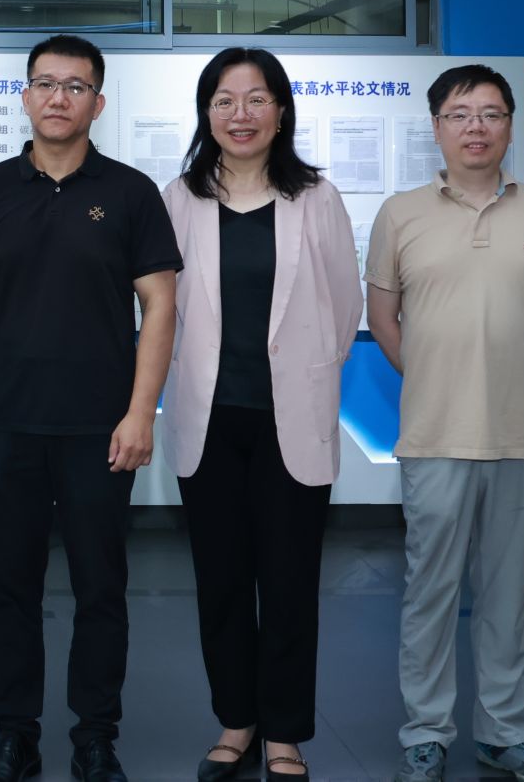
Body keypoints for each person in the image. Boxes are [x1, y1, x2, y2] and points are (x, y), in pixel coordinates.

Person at [0, 35, 180, 782]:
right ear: (24, 96)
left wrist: (141, 411)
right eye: (45, 83)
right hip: (7, 421)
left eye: (75, 86)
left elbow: (160, 304)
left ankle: (95, 737)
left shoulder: (132, 193)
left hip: (100, 428)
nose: (59, 97)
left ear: (97, 103)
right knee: (9, 589)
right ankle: (13, 735)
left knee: (100, 589)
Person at [366, 64, 524, 782]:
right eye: (460, 114)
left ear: (510, 126)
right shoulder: (400, 213)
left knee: (508, 594)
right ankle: (426, 733)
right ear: (436, 127)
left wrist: (506, 370)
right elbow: (383, 318)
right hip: (434, 435)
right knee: (429, 592)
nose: (476, 127)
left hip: (523, 434)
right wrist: (438, 373)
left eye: (491, 113)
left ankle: (502, 732)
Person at [161, 48, 362, 782]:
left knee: (288, 582)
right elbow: (157, 307)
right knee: (220, 581)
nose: (239, 114)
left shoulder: (316, 197)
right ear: (206, 113)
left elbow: (344, 307)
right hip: (208, 420)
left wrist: (305, 372)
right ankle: (236, 720)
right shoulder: (179, 198)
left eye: (255, 99)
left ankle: (284, 731)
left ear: (281, 112)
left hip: (290, 420)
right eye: (223, 100)